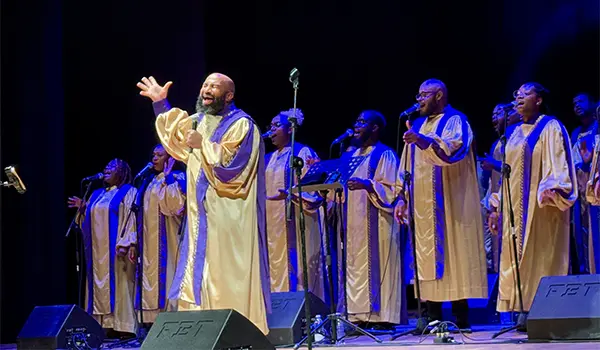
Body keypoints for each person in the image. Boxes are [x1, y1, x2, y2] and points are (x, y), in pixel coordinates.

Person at [136, 73, 270, 334]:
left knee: (227, 273)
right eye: (205, 85)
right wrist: (161, 104)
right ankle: (202, 330)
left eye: (214, 87)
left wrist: (204, 145)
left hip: (230, 215)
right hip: (201, 216)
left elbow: (235, 169)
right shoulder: (197, 121)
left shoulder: (243, 125)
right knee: (200, 269)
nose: (207, 90)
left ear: (228, 95)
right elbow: (175, 137)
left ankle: (235, 330)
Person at [395, 79, 487, 332]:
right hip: (421, 207)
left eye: (424, 95)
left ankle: (461, 318)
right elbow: (406, 165)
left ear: (439, 95)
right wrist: (402, 197)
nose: (419, 100)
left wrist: (423, 140)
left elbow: (452, 152)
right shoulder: (418, 125)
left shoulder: (456, 120)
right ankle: (431, 316)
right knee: (424, 258)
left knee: (455, 255)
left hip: (451, 203)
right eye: (418, 94)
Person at [488, 82, 576, 327]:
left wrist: (553, 187)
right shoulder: (514, 132)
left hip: (542, 208)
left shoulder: (551, 127)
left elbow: (559, 162)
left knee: (540, 257)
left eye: (526, 93)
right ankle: (522, 310)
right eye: (517, 93)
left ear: (538, 100)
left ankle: (543, 312)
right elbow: (508, 173)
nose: (519, 96)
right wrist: (496, 206)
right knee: (517, 259)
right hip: (514, 208)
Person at [333, 110, 402, 327]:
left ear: (375, 128)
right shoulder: (349, 156)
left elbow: (394, 189)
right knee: (354, 267)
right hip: (353, 224)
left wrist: (368, 185)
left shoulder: (384, 154)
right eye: (356, 120)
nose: (356, 125)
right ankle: (357, 316)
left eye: (362, 121)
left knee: (379, 266)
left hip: (379, 223)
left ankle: (382, 318)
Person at [67, 159, 138, 337]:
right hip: (96, 252)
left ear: (121, 172)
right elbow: (86, 223)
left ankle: (123, 326)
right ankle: (100, 326)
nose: (106, 169)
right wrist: (83, 209)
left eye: (112, 168)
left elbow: (132, 219)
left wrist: (128, 243)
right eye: (106, 167)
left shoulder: (129, 192)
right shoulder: (96, 193)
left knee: (120, 286)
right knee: (96, 287)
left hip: (116, 251)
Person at [264, 109, 325, 300]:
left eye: (276, 125)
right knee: (275, 264)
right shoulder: (268, 158)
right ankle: (278, 307)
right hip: (273, 224)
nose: (271, 130)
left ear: (290, 128)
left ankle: (306, 313)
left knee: (299, 263)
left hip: (299, 220)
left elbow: (314, 185)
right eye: (270, 126)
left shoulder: (302, 152)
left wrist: (292, 194)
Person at [134, 144, 186, 324]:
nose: (154, 158)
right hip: (149, 245)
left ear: (170, 158)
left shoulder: (178, 177)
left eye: (159, 155)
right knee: (150, 279)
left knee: (169, 275)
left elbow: (175, 207)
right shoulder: (148, 183)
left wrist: (169, 178)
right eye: (153, 155)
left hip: (170, 240)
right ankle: (151, 322)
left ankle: (172, 319)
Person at [480, 104, 521, 272]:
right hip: (497, 197)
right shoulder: (498, 143)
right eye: (493, 114)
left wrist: (494, 164)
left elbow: (514, 167)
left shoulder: (517, 139)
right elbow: (491, 179)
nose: (495, 117)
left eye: (499, 113)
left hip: (513, 196)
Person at [570, 93, 598, 274]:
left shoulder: (598, 128)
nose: (577, 105)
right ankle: (586, 272)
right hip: (579, 192)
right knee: (581, 233)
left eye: (581, 100)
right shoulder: (574, 133)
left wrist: (588, 164)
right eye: (574, 103)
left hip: (594, 189)